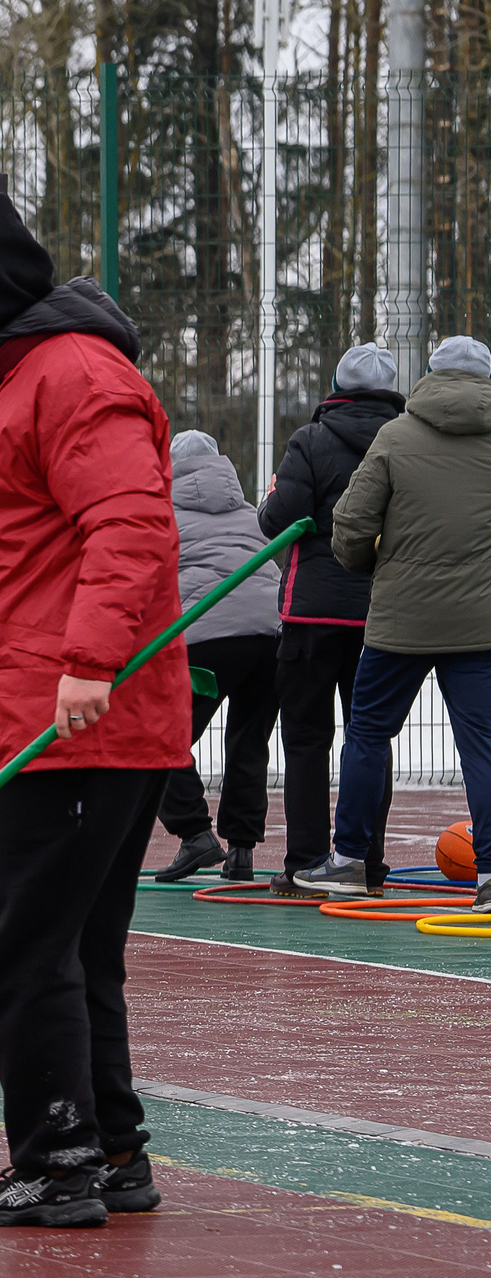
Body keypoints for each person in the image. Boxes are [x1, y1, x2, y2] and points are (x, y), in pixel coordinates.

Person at [0, 191, 188, 1229]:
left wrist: (87, 661)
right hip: (68, 713)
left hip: (74, 721)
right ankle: (110, 1149)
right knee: (76, 950)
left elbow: (130, 523)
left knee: (25, 953)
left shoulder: (69, 376)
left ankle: (58, 1158)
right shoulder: (24, 379)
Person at [295, 335, 491, 910]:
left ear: (430, 373)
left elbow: (351, 525)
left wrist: (374, 569)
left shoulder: (397, 435)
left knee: (368, 733)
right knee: (482, 745)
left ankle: (350, 861)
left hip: (400, 619)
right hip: (480, 622)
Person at [261, 344, 405, 896]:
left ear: (338, 385)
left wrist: (271, 503)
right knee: (370, 738)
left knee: (306, 739)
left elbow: (280, 518)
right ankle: (367, 862)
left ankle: (304, 862)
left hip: (312, 611)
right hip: (380, 611)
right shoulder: (405, 441)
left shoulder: (311, 440)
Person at [152, 430, 280, 882]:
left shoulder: (161, 514)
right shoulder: (248, 513)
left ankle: (194, 832)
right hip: (271, 635)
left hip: (208, 638)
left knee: (158, 736)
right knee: (249, 742)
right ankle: (242, 850)